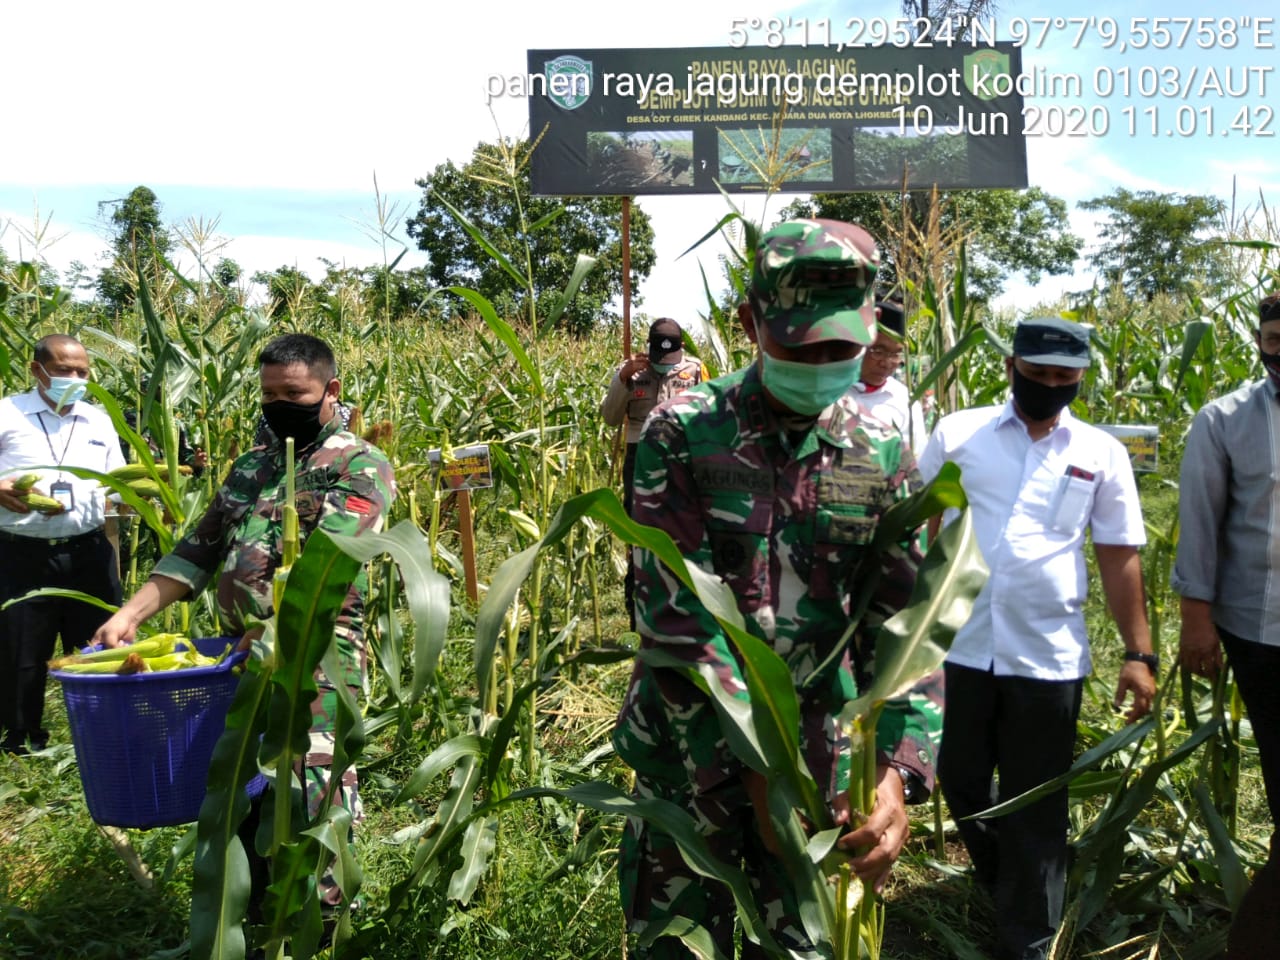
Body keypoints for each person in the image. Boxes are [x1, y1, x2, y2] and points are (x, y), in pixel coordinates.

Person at [612, 219, 940, 958]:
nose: (822, 366)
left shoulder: (883, 452)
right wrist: (765, 775)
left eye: (840, 350)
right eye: (801, 349)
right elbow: (676, 615)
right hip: (691, 764)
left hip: (828, 776)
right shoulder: (682, 432)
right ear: (752, 323)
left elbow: (912, 625)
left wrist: (895, 774)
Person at [92, 333, 395, 914]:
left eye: (294, 392)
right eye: (268, 393)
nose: (279, 404)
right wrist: (129, 613)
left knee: (311, 787)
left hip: (314, 655)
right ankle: (253, 910)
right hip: (237, 657)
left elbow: (324, 565)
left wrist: (275, 630)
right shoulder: (252, 466)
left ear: (331, 391)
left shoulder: (359, 464)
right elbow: (196, 551)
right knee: (244, 786)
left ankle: (321, 918)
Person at [918, 317, 1156, 960]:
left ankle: (1029, 936)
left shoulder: (1100, 453)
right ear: (1011, 368)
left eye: (1063, 378)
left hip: (1047, 654)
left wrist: (1138, 653)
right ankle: (1012, 880)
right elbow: (919, 529)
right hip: (958, 642)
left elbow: (1118, 553)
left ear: (1080, 378)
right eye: (1038, 373)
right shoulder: (958, 434)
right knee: (961, 778)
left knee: (1037, 799)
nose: (1050, 386)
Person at [1171, 290, 1280, 958]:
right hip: (1259, 626)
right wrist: (1195, 621)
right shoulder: (1225, 419)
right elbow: (1201, 522)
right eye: (1273, 337)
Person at [0, 334, 124, 754]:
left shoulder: (98, 419)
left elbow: (117, 479)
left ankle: (100, 734)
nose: (74, 378)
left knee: (97, 643)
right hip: (21, 552)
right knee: (21, 649)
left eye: (82, 372)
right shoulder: (7, 414)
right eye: (63, 370)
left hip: (88, 551)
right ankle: (21, 738)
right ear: (36, 371)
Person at [600, 317, 705, 628]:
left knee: (681, 535)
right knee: (638, 534)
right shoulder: (632, 371)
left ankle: (680, 612)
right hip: (640, 457)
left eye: (670, 357)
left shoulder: (695, 371)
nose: (664, 365)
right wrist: (622, 379)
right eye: (659, 357)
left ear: (682, 348)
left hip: (681, 459)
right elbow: (609, 417)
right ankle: (638, 618)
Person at [850, 298, 928, 456]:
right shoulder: (832, 391)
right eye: (878, 351)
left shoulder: (905, 401)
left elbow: (917, 458)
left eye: (896, 354)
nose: (886, 363)